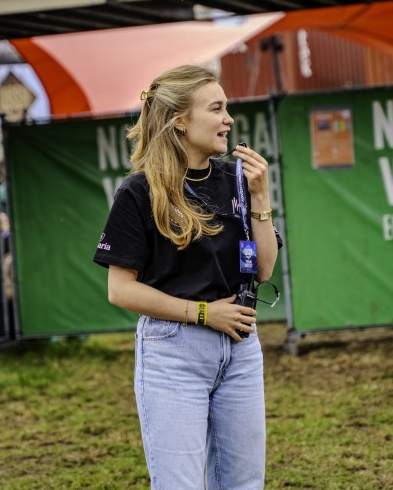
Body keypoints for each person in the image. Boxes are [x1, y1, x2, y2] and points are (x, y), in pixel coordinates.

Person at [93, 64, 280, 489]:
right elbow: (119, 290)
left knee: (244, 484)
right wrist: (201, 314)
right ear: (180, 121)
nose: (228, 120)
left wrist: (261, 196)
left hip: (240, 350)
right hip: (172, 353)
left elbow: (264, 268)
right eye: (216, 109)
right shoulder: (139, 191)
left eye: (227, 108)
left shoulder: (237, 179)